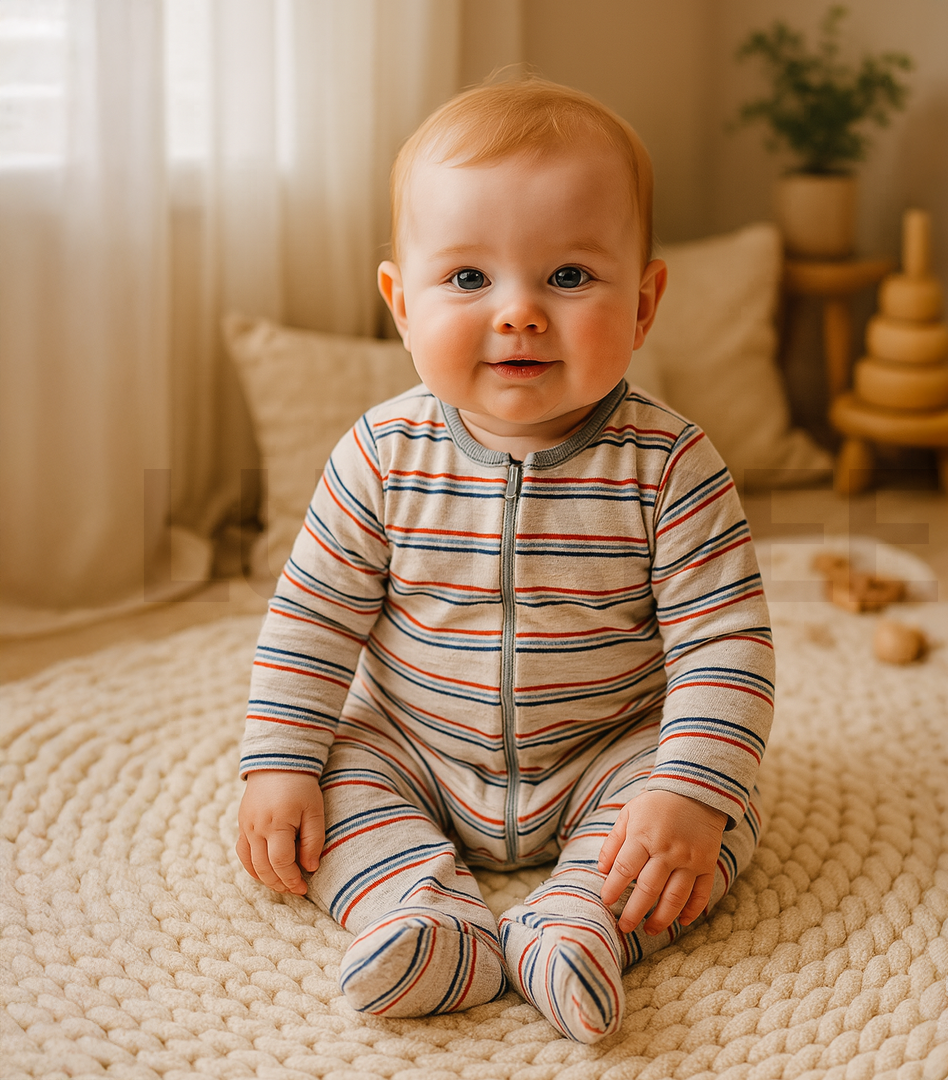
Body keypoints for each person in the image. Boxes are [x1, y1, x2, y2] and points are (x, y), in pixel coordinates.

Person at [236, 77, 774, 1044]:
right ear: (402, 304)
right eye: (470, 279)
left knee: (713, 826)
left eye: (569, 277)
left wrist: (685, 793)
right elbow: (312, 622)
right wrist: (278, 766)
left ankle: (575, 921)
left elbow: (726, 647)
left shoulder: (670, 465)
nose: (519, 312)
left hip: (604, 751)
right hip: (417, 749)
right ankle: (420, 912)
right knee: (325, 791)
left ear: (645, 302)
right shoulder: (379, 455)